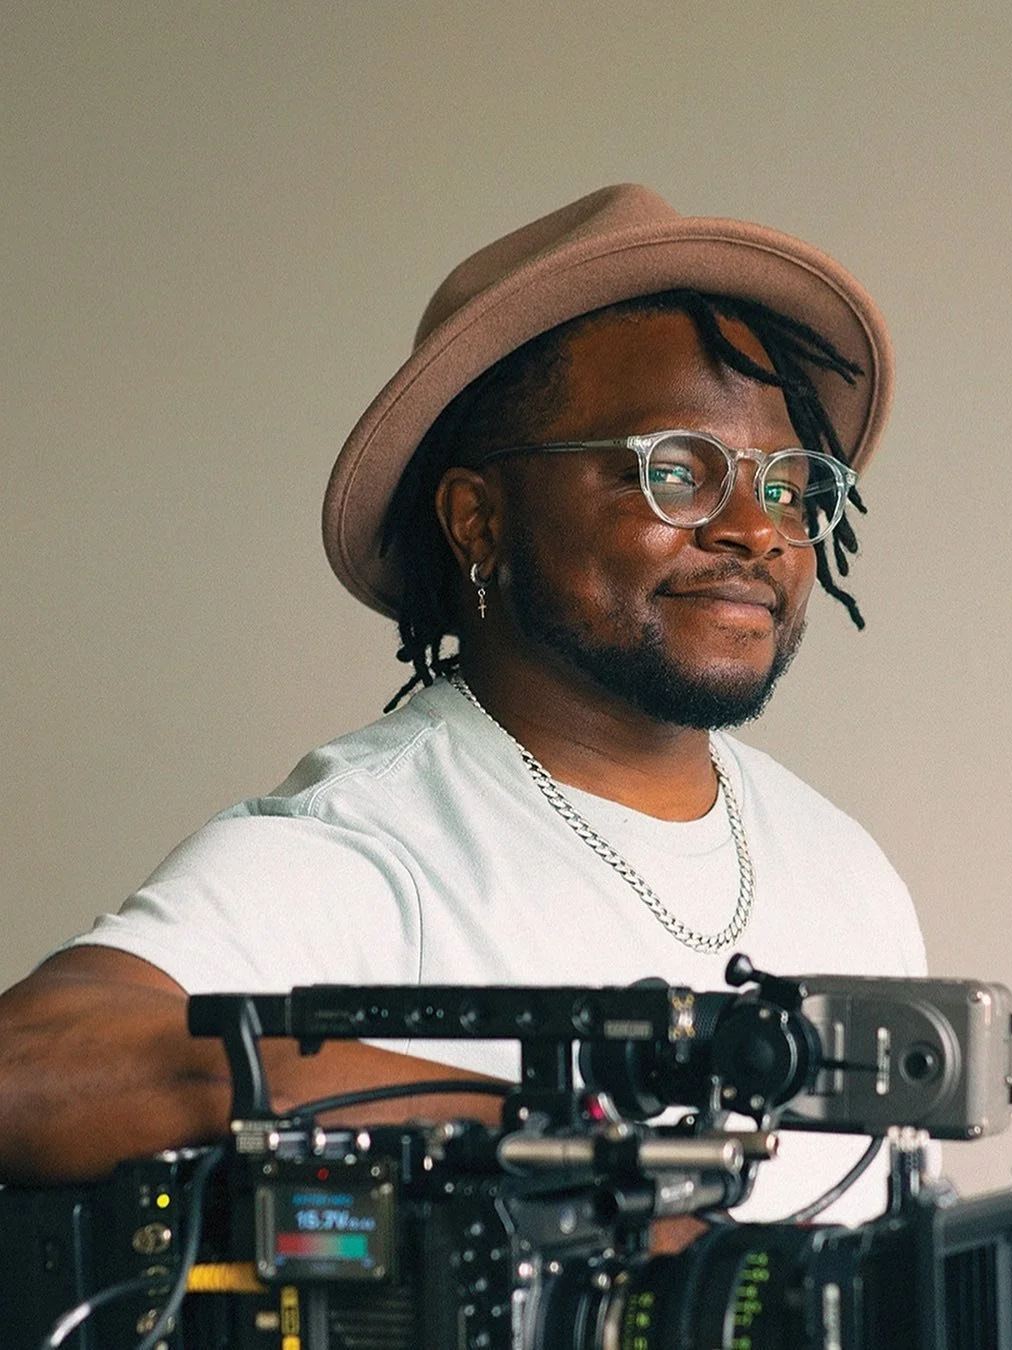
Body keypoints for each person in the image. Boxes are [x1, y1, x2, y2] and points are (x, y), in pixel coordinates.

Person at [0, 185, 924, 1227]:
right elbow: (28, 1067)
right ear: (478, 521)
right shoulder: (370, 849)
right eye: (674, 472)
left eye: (788, 485)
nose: (757, 531)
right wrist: (556, 1154)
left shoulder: (845, 868)